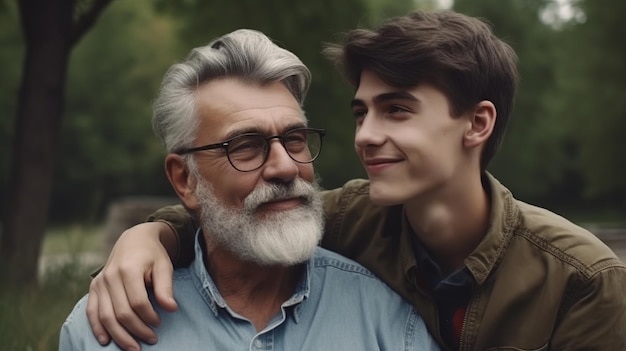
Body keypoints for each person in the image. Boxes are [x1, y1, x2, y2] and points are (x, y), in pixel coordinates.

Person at [87, 10, 626, 351]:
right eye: (360, 113)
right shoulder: (349, 217)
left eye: (396, 111)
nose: (365, 136)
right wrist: (146, 238)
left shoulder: (583, 281)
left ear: (477, 123)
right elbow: (241, 205)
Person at [59, 29, 440, 351]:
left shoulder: (387, 324)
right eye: (245, 146)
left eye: (294, 139)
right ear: (184, 180)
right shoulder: (106, 331)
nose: (286, 167)